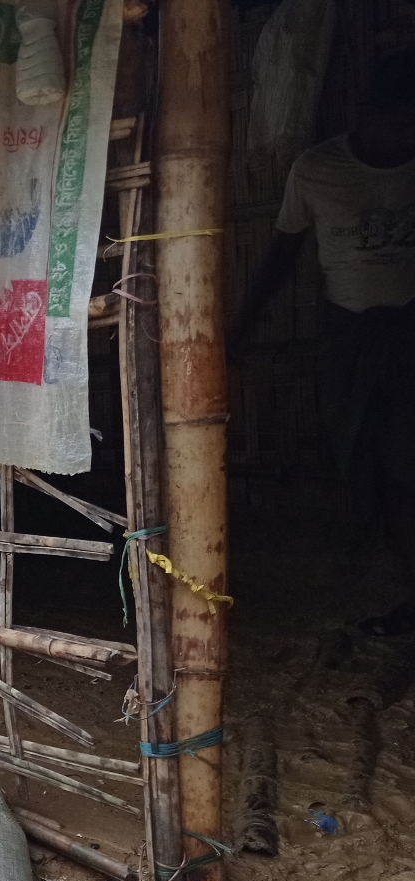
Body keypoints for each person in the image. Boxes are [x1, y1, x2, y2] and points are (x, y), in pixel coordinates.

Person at [230, 51, 415, 635]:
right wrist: (241, 327)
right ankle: (381, 570)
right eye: (397, 122)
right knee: (360, 453)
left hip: (410, 328)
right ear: (365, 113)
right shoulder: (318, 169)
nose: (404, 135)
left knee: (404, 464)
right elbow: (282, 254)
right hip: (348, 329)